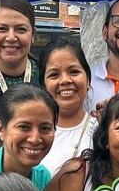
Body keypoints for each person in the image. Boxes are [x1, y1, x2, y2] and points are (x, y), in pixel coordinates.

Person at [38, 36, 97, 175]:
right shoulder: (32, 134)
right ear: (43, 85)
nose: (65, 80)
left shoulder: (102, 132)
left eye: (74, 72)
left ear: (88, 80)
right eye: (54, 75)